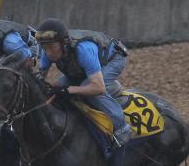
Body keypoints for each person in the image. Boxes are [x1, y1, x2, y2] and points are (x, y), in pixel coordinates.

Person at [35, 18, 132, 149]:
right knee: (58, 85)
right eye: (44, 48)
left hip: (113, 59)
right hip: (84, 68)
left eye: (52, 47)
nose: (48, 53)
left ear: (64, 43)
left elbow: (98, 87)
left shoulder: (82, 49)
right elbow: (39, 79)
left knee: (88, 87)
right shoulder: (48, 49)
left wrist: (69, 90)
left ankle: (121, 127)